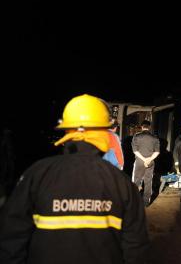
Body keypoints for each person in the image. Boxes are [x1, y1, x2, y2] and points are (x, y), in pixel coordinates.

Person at [0, 94, 149, 263]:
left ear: (66, 131)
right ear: (105, 133)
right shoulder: (121, 183)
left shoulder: (36, 174)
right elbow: (136, 248)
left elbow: (11, 240)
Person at [132, 120, 160, 207]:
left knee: (136, 181)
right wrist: (149, 159)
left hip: (140, 162)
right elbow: (157, 152)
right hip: (150, 162)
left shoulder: (136, 136)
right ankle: (146, 202)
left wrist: (144, 159)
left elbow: (135, 151)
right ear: (149, 127)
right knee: (148, 181)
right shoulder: (155, 138)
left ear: (142, 127)